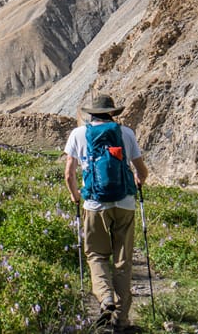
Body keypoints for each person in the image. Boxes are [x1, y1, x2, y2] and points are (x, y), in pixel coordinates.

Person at [64, 93, 149, 332]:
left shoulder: (78, 134)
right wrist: (137, 180)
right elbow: (142, 171)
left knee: (97, 256)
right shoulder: (126, 133)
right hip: (125, 204)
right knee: (123, 262)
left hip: (94, 204)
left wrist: (74, 195)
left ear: (91, 114)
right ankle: (121, 320)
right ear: (112, 113)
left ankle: (105, 299)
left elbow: (69, 173)